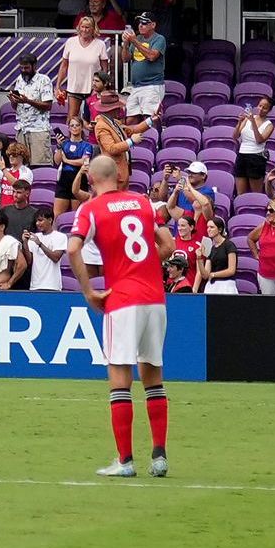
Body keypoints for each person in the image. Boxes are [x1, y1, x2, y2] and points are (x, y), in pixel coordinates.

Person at [74, 148, 172, 479]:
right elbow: (169, 247)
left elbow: (73, 248)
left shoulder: (91, 208)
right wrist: (143, 266)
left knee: (119, 378)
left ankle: (125, 460)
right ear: (119, 176)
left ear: (90, 179)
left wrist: (89, 291)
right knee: (153, 375)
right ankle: (159, 456)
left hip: (122, 299)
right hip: (155, 298)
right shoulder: (143, 203)